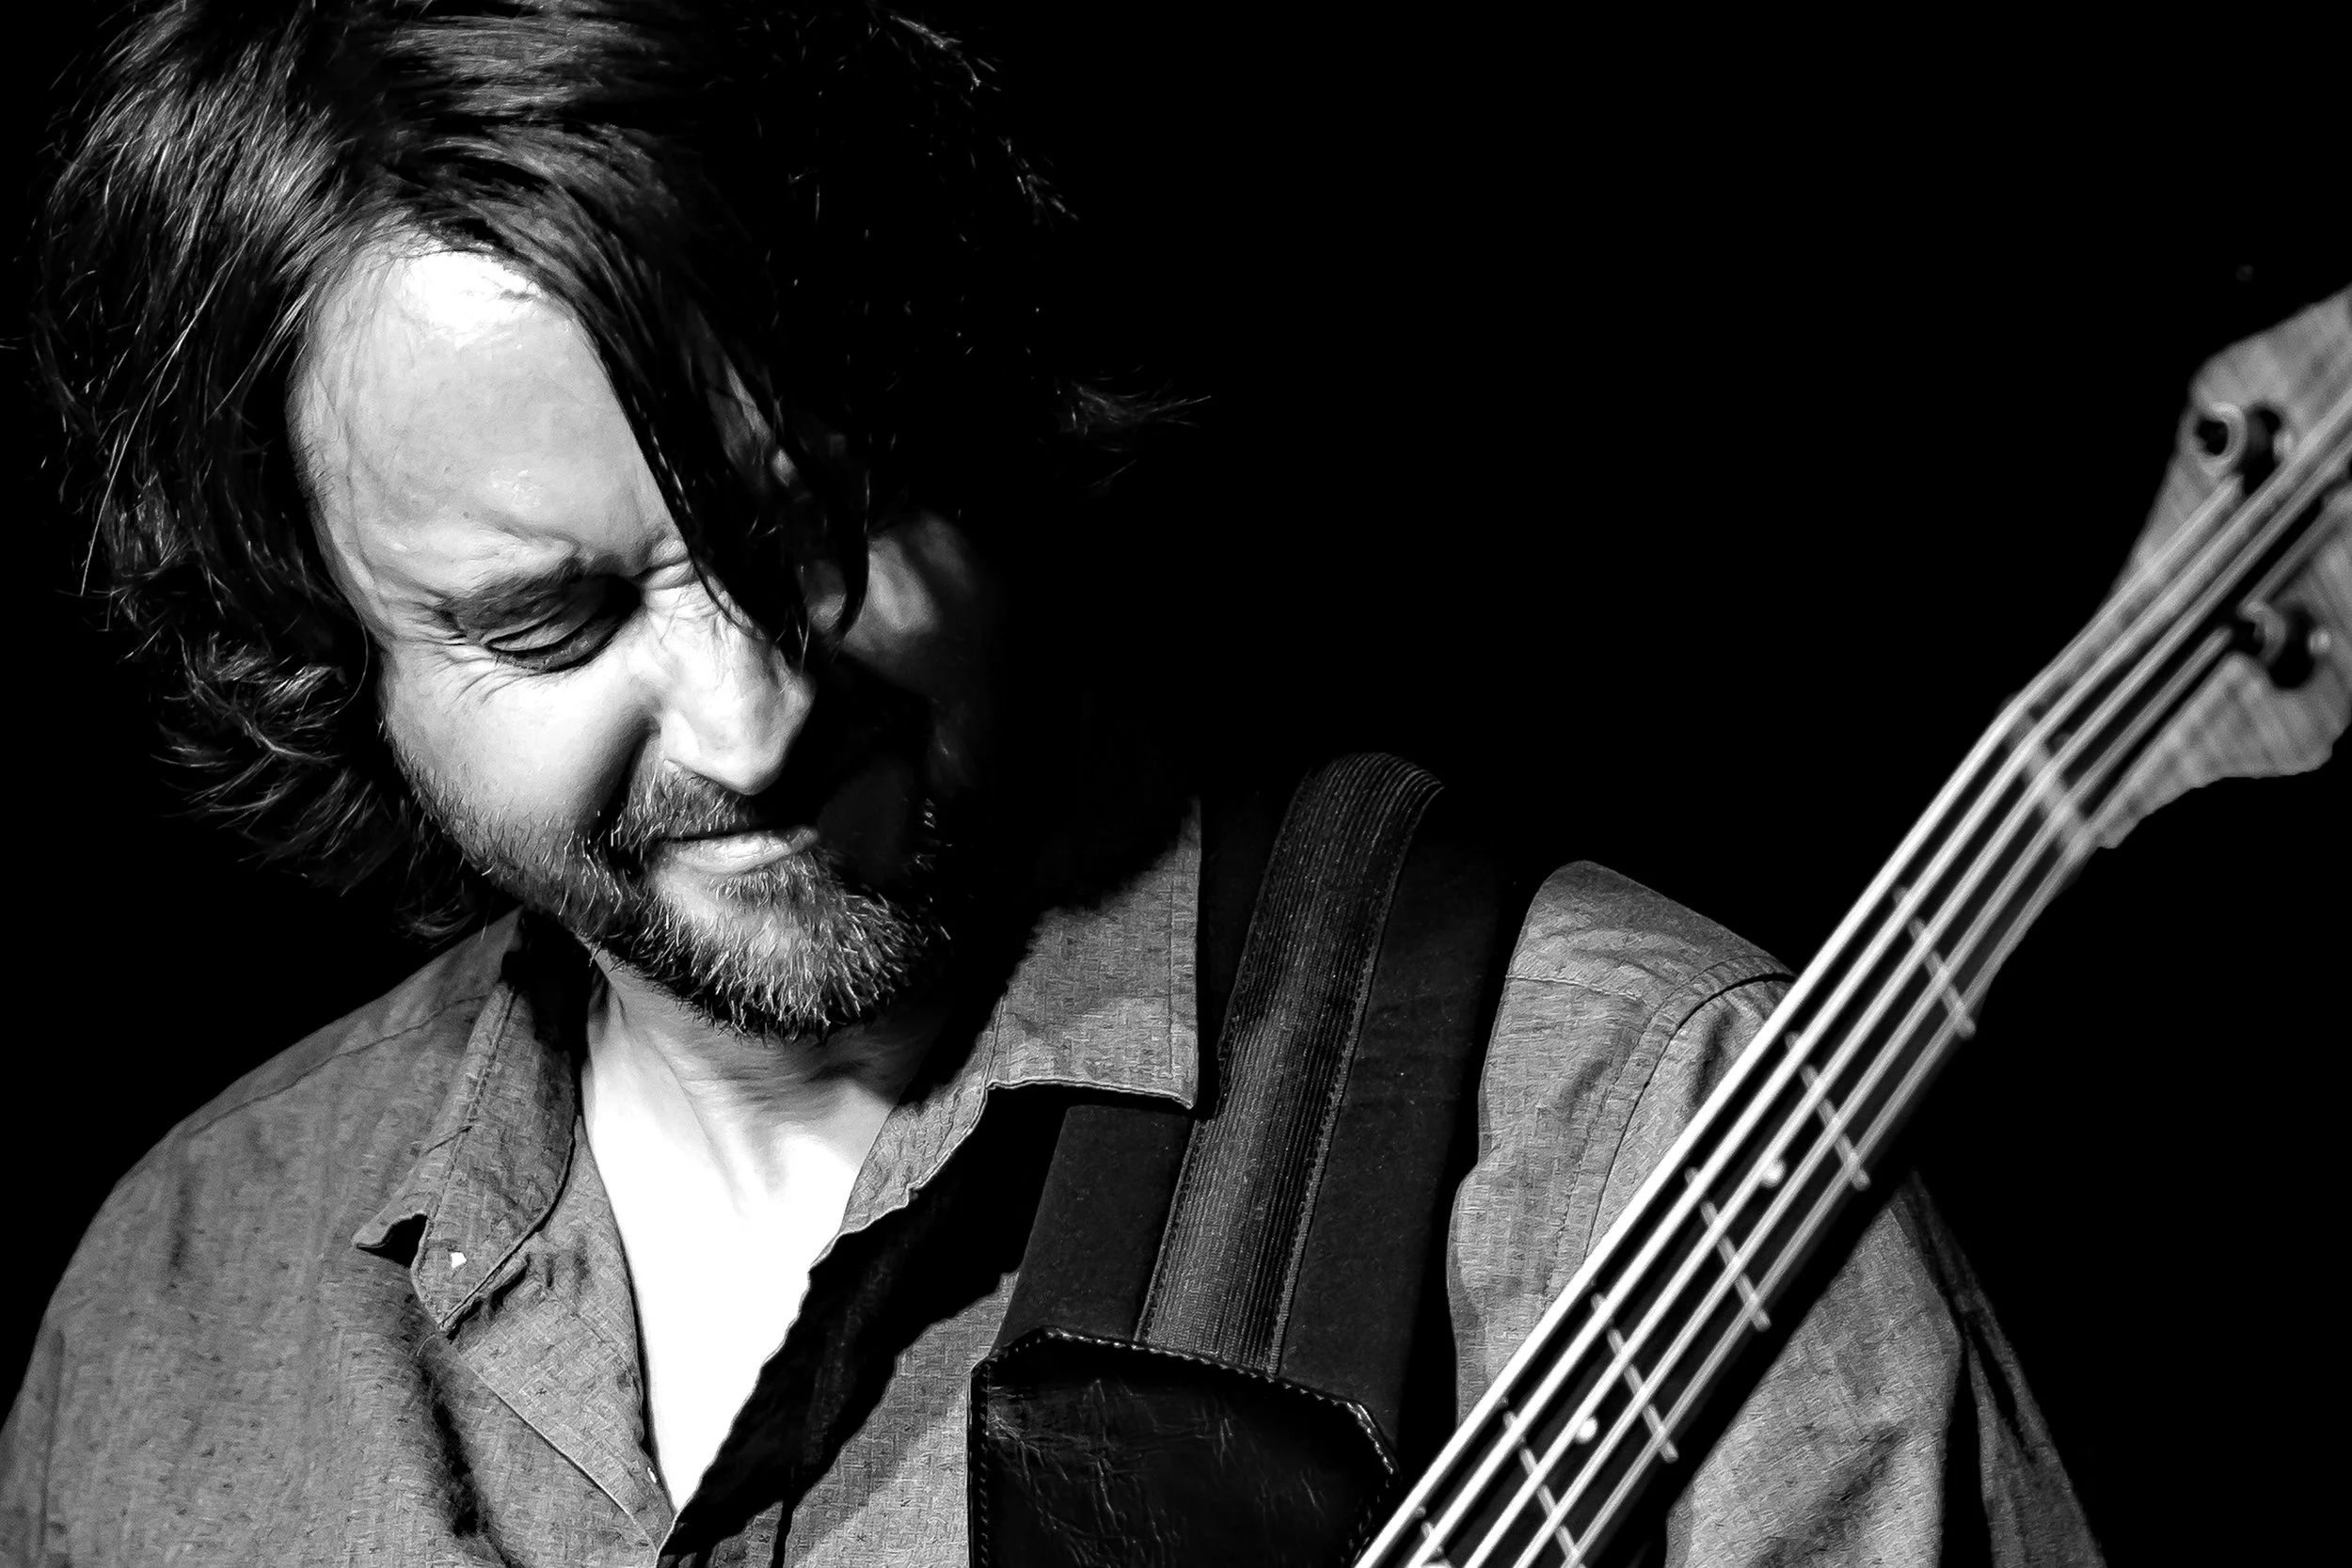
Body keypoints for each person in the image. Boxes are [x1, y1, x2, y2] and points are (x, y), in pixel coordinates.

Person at [1, 3, 2104, 1563]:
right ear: (314, 641)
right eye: (552, 625)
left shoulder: (1650, 1142)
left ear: (981, 416)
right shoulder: (178, 1294)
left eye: (817, 526)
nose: (752, 720)